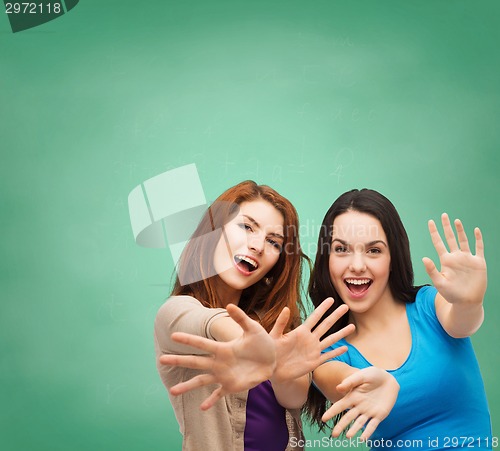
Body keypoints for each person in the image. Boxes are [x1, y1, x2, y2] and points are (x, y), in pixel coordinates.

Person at [154, 180, 354, 451]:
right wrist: (255, 347)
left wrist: (279, 366)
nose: (258, 246)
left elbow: (293, 399)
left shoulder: (278, 325)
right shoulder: (176, 312)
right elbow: (211, 324)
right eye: (247, 227)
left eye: (274, 242)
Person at [304, 188, 492, 449]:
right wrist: (368, 384)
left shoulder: (429, 305)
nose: (357, 265)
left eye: (373, 251)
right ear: (326, 260)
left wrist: (470, 301)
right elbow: (339, 381)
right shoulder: (329, 347)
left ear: (393, 257)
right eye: (341, 249)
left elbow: (463, 322)